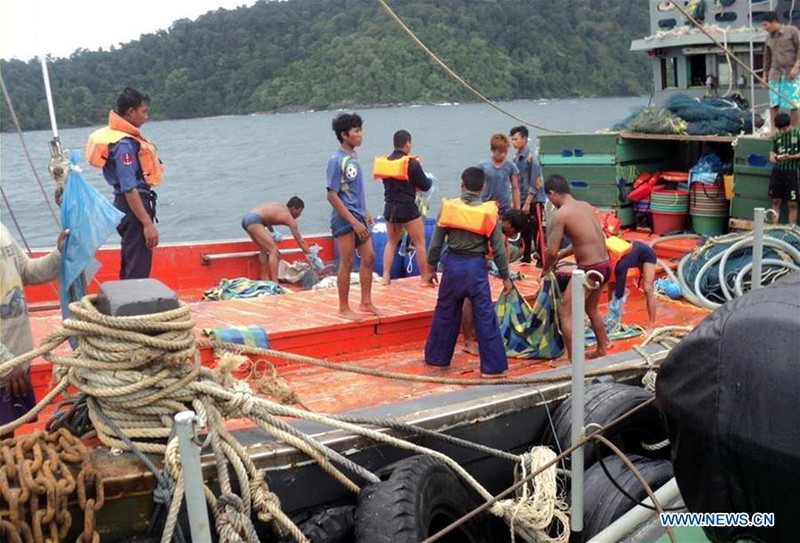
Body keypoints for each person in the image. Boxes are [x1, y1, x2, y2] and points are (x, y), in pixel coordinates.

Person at [424, 167, 513, 378]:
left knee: (445, 312)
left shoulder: (448, 209)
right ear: (482, 188)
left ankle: (437, 359)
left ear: (461, 185)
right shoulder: (489, 214)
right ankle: (493, 369)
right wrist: (506, 277)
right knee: (484, 316)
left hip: (453, 266)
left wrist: (430, 268)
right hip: (476, 268)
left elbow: (436, 244)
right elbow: (499, 250)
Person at [86, 87, 162, 280]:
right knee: (138, 263)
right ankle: (133, 305)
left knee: (132, 257)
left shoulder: (122, 139)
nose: (146, 116)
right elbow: (129, 187)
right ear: (130, 112)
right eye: (143, 111)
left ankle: (128, 302)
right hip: (133, 206)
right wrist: (147, 223)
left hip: (128, 205)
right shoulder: (124, 144)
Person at [1, 223, 67, 429]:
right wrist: (5, 362)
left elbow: (29, 271)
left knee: (11, 440)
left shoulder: (2, 230)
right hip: (6, 366)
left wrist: (59, 253)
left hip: (18, 361)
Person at [539, 174, 611, 360]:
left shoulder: (560, 214)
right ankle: (602, 348)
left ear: (553, 193)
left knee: (565, 311)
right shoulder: (586, 206)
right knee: (591, 309)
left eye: (549, 198)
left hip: (589, 270)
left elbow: (551, 250)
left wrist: (546, 268)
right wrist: (561, 257)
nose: (550, 203)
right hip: (605, 265)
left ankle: (572, 359)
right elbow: (580, 242)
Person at [326, 113, 381, 321]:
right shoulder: (336, 160)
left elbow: (355, 189)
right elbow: (331, 194)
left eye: (360, 130)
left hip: (358, 214)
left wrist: (364, 212)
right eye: (356, 131)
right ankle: (343, 307)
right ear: (344, 134)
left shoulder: (353, 158)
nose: (360, 135)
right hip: (345, 218)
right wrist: (352, 221)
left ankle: (366, 301)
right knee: (347, 261)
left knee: (369, 257)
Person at [461, 209, 529, 356]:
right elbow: (498, 254)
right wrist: (506, 278)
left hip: (473, 262)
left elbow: (502, 255)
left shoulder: (498, 230)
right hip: (469, 262)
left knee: (475, 299)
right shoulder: (496, 230)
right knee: (469, 299)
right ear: (509, 224)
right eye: (514, 231)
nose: (513, 235)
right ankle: (468, 340)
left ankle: (473, 333)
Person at [373, 129, 434, 286]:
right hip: (407, 208)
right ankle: (424, 278)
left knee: (391, 242)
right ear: (407, 144)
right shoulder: (412, 164)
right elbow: (426, 185)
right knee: (419, 242)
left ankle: (386, 277)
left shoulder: (386, 163)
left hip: (390, 208)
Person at [241, 197, 312, 281]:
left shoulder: (279, 206)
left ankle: (264, 277)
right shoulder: (289, 218)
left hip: (247, 219)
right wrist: (311, 256)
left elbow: (266, 217)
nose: (299, 215)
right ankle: (275, 282)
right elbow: (300, 240)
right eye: (299, 212)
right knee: (274, 251)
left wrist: (272, 232)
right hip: (254, 221)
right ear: (293, 209)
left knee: (263, 248)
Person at [510, 126, 546, 264]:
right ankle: (525, 255)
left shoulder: (532, 159)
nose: (514, 142)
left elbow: (535, 182)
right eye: (512, 139)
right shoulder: (515, 158)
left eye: (516, 139)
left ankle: (541, 257)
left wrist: (527, 202)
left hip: (534, 200)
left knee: (537, 230)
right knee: (524, 229)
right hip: (522, 198)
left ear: (524, 139)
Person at [761, 11, 800, 129]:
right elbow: (766, 58)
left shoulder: (792, 31)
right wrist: (764, 77)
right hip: (775, 74)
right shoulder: (768, 38)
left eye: (766, 25)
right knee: (774, 103)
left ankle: (793, 129)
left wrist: (796, 67)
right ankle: (774, 130)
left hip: (791, 73)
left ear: (774, 22)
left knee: (794, 103)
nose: (764, 28)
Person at [607, 240, 658, 331]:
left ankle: (652, 324)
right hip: (631, 254)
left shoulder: (621, 265)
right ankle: (611, 318)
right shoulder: (609, 259)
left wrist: (617, 307)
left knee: (648, 288)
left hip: (646, 255)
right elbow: (611, 285)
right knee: (611, 285)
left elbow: (620, 292)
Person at [767, 111, 800, 225]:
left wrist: (790, 157)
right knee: (776, 201)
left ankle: (792, 229)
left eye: (785, 128)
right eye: (780, 129)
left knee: (793, 203)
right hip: (778, 171)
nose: (783, 131)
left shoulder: (797, 134)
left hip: (792, 171)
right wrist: (772, 156)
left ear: (789, 125)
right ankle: (773, 229)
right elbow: (772, 150)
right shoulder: (777, 136)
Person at [478, 133, 520, 218]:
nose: (503, 155)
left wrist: (517, 210)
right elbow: (477, 187)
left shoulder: (510, 166)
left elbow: (515, 188)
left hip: (504, 208)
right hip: (486, 206)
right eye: (500, 152)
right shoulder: (483, 166)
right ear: (493, 150)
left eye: (505, 152)